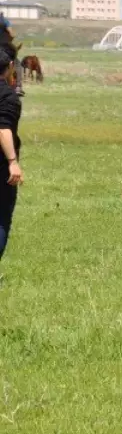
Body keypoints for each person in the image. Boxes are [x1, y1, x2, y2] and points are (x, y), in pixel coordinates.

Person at [0, 38, 23, 276]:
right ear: (9, 69)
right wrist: (12, 162)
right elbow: (3, 129)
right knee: (1, 218)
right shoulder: (8, 96)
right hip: (0, 168)